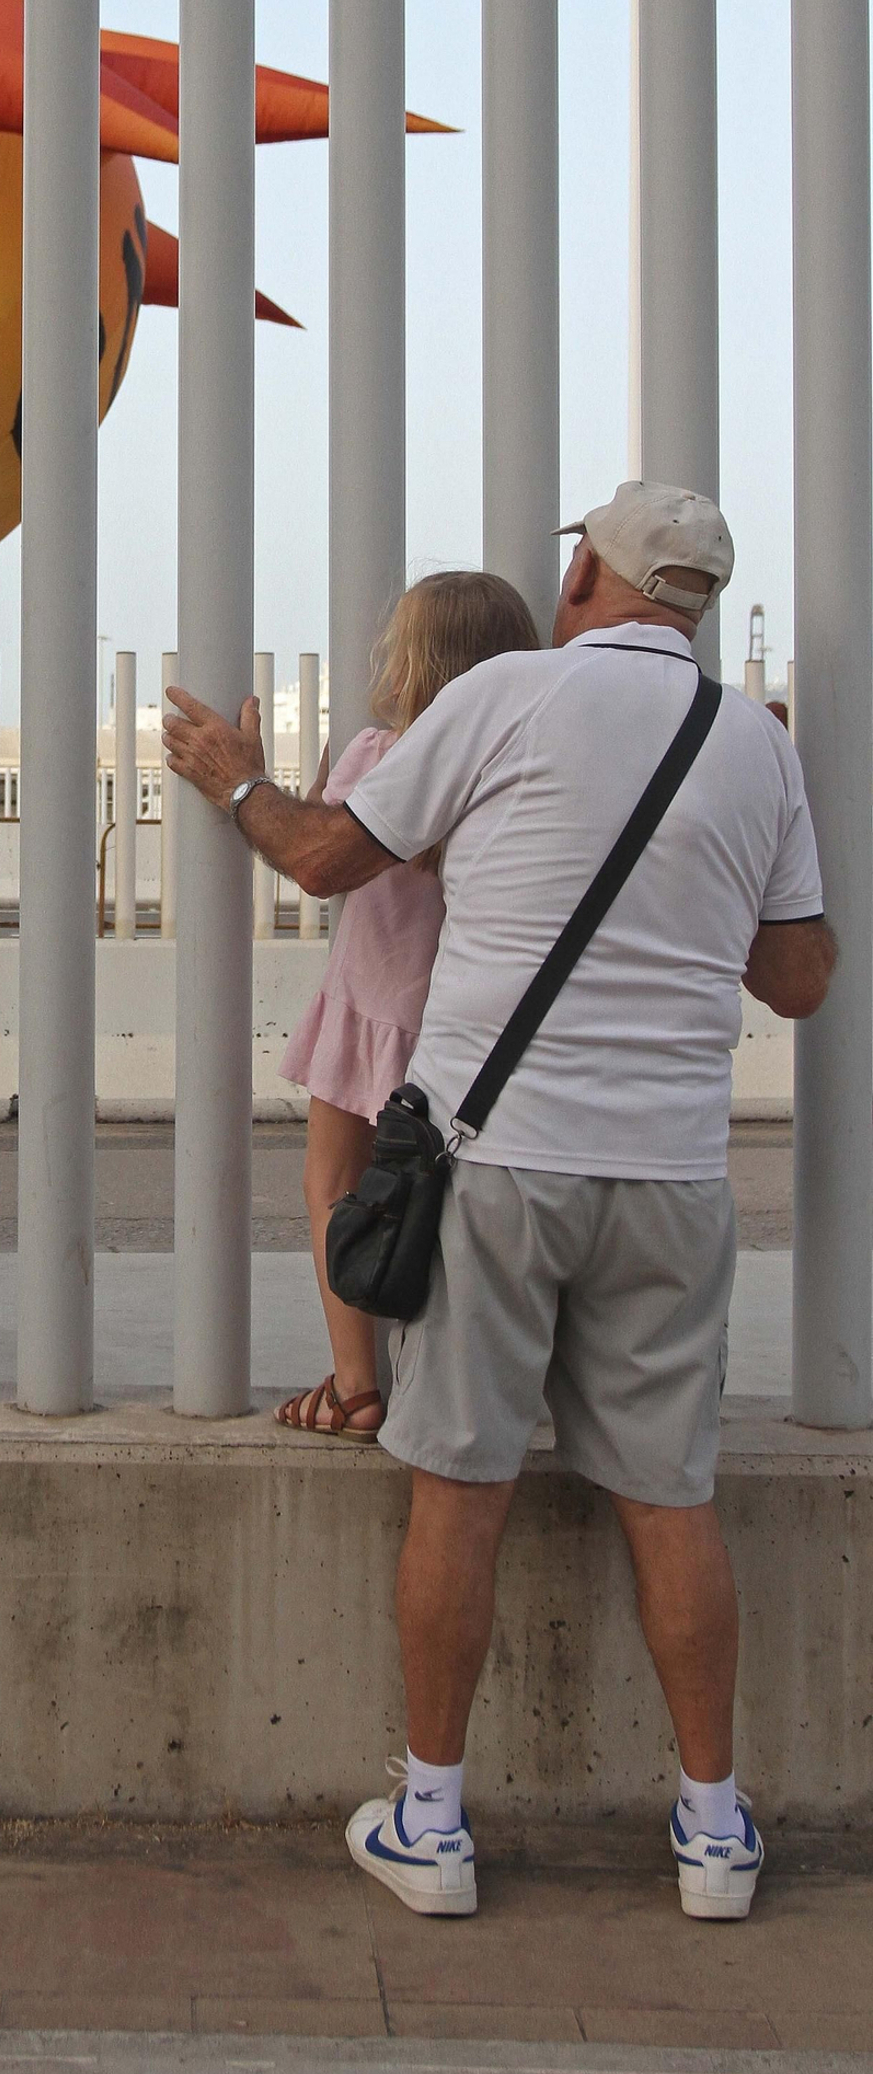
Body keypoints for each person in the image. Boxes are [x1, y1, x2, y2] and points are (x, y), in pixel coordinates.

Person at [164, 482, 834, 1925]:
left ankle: (431, 1820)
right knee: (672, 1499)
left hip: (500, 1159)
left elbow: (328, 856)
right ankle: (715, 1830)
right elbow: (798, 980)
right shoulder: (750, 743)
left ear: (586, 574)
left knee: (460, 1498)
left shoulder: (507, 698)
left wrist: (232, 778)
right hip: (672, 1174)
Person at [277, 572, 540, 1440]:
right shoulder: (516, 776)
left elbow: (315, 852)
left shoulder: (376, 756)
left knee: (334, 1187)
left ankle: (357, 1384)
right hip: (465, 1029)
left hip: (366, 1007)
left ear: (413, 665)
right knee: (465, 1211)